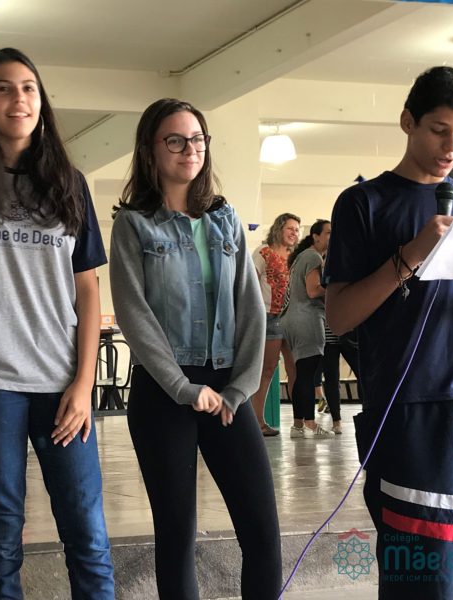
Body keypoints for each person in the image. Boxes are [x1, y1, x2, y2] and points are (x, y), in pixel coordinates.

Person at [0, 48, 114, 600]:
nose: (19, 98)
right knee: (1, 532)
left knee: (86, 528)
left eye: (29, 87)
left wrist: (83, 383)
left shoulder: (69, 182)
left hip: (61, 382)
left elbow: (87, 288)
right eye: (3, 88)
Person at [109, 98, 281, 600]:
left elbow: (250, 306)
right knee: (177, 535)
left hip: (226, 389)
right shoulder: (134, 223)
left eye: (198, 139)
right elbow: (134, 314)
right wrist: (184, 388)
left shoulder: (225, 219)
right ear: (150, 149)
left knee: (262, 532)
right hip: (164, 392)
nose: (190, 149)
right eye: (176, 140)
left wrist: (240, 389)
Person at [325, 66, 453, 599]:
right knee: (424, 574)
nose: (451, 146)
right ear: (407, 122)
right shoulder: (364, 204)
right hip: (409, 411)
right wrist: (413, 254)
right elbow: (339, 316)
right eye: (439, 130)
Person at [280, 219, 335, 439]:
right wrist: (336, 291)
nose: (332, 236)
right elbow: (313, 291)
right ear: (315, 236)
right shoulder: (313, 257)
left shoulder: (301, 257)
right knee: (307, 374)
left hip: (291, 319)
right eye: (328, 232)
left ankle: (297, 426)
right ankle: (311, 423)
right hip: (307, 319)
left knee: (301, 372)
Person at [251, 213, 300, 436]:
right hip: (269, 316)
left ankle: (300, 421)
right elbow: (250, 282)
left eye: (297, 230)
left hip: (292, 317)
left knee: (296, 368)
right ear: (279, 228)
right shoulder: (263, 252)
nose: (294, 233)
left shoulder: (295, 257)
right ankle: (257, 421)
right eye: (290, 228)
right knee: (267, 369)